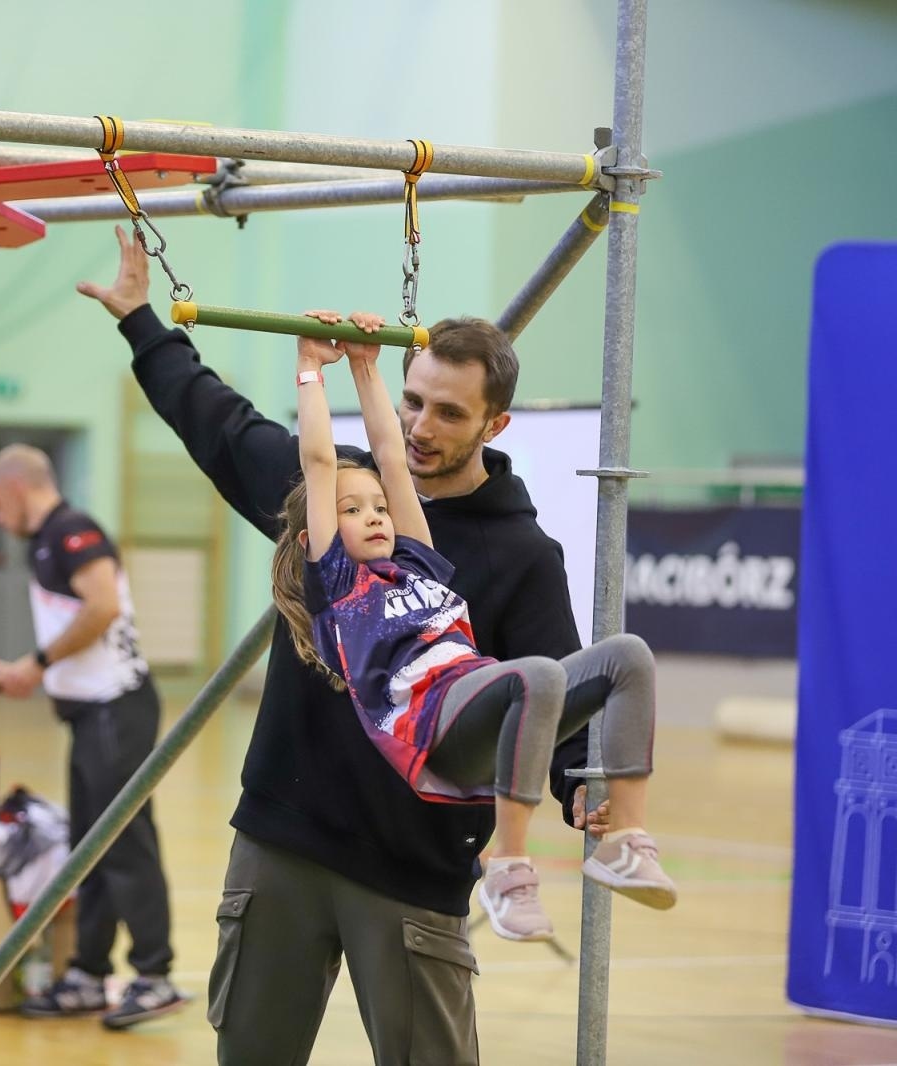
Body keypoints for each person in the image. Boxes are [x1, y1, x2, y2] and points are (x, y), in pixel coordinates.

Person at [77, 228, 613, 1065]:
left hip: (412, 868)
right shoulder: (335, 494)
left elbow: (557, 693)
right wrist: (143, 322)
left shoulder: (519, 555)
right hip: (281, 841)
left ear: (496, 423)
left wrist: (582, 782)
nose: (422, 425)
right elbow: (222, 426)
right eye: (412, 401)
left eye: (449, 412)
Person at [278, 308, 676, 942]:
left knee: (626, 656)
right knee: (537, 678)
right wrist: (308, 369)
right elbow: (322, 461)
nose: (376, 514)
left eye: (380, 503)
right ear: (320, 534)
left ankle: (625, 839)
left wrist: (364, 366)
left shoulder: (415, 557)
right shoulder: (338, 584)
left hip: (473, 695)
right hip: (422, 728)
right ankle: (507, 870)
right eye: (353, 511)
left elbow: (390, 451)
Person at [0, 444, 189, 1031]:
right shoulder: (44, 542)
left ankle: (154, 975)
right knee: (90, 846)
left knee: (125, 841)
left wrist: (35, 665)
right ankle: (88, 975)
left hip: (116, 708)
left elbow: (101, 609)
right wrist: (29, 672)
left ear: (18, 488)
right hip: (89, 713)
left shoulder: (73, 531)